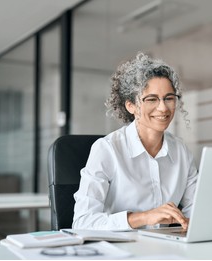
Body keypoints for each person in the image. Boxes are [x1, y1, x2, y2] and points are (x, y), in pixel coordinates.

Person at [72, 52, 198, 231]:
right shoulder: (107, 149)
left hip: (166, 248)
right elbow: (82, 222)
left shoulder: (181, 151)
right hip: (120, 250)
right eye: (151, 99)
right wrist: (144, 217)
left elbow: (196, 208)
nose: (163, 108)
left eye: (169, 98)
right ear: (130, 106)